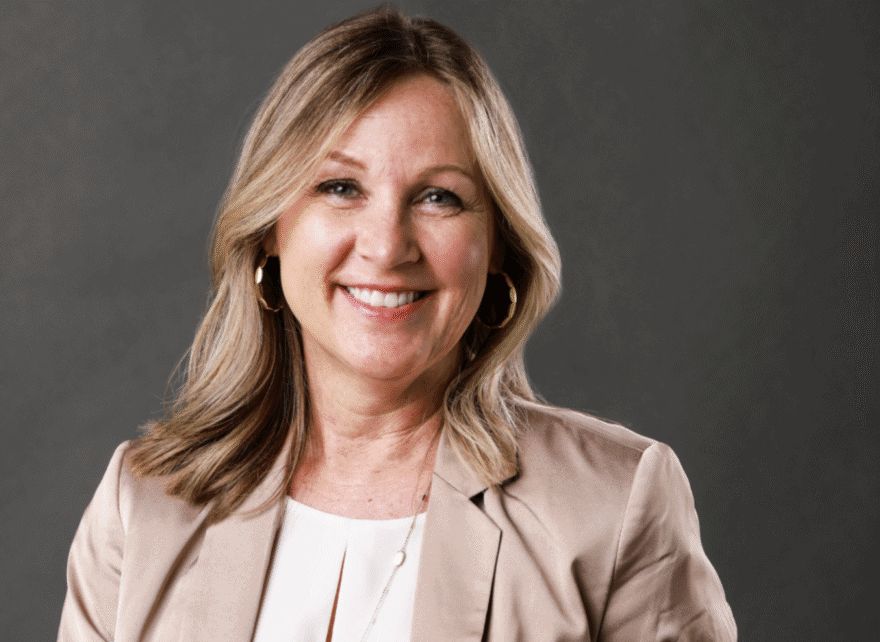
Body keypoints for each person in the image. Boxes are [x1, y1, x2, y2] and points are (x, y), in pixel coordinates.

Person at [58, 7, 736, 641]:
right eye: (340, 187)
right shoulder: (143, 506)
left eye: (439, 197)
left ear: (497, 244)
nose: (386, 246)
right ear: (270, 228)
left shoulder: (609, 507)